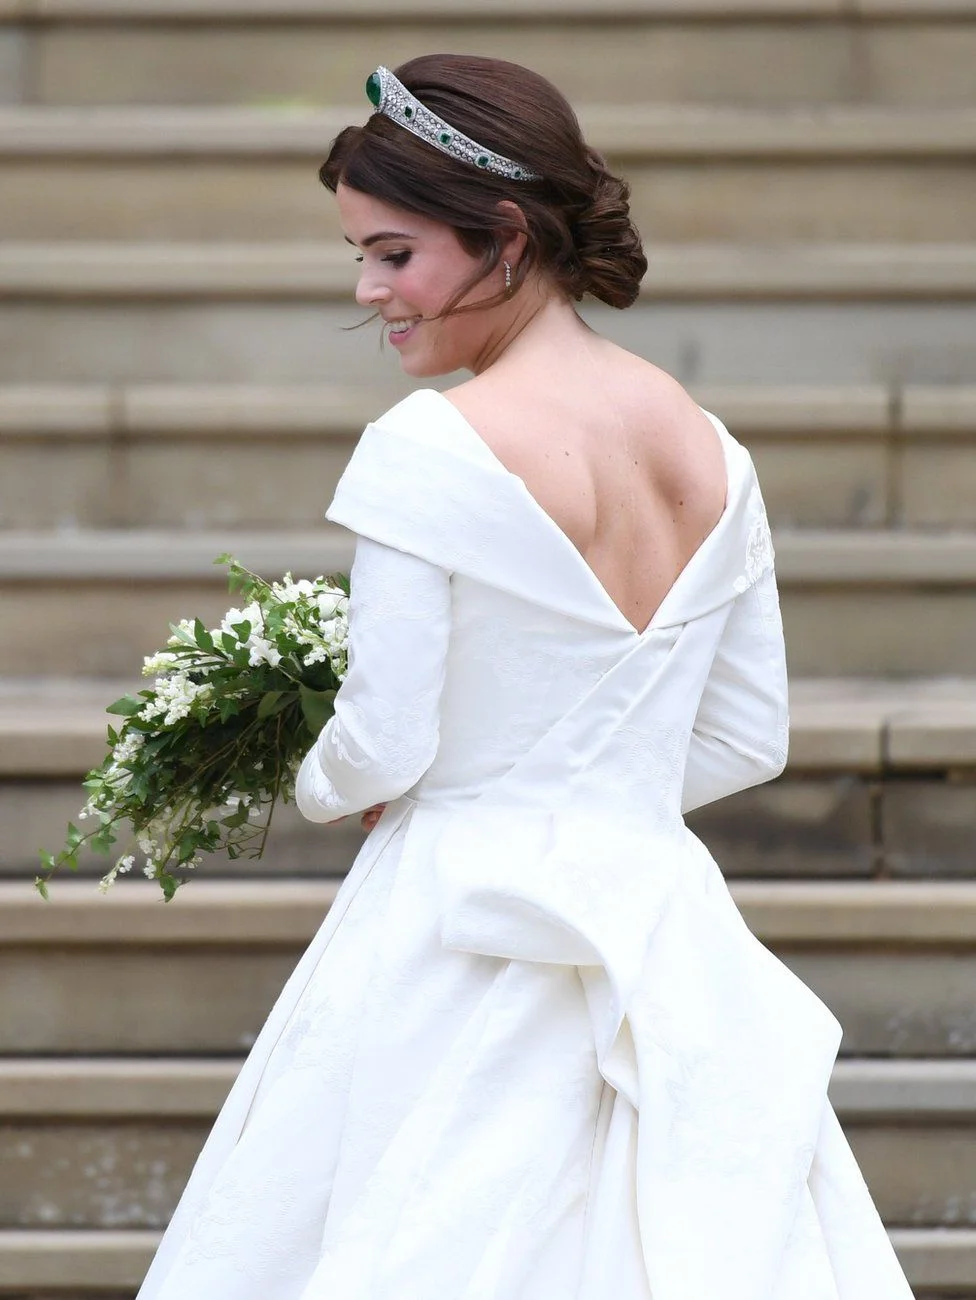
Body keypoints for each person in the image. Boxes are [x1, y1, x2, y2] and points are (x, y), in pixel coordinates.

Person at [137, 55, 915, 1300]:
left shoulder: (426, 446)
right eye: (360, 256)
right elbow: (748, 736)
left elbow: (383, 741)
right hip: (656, 916)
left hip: (455, 922)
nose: (367, 289)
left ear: (504, 239)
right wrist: (598, 789)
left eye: (395, 254)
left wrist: (339, 780)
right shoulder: (713, 451)